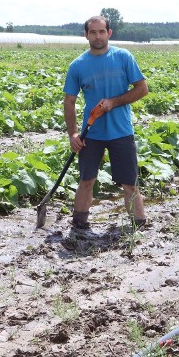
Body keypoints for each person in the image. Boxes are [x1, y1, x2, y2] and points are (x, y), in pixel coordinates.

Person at [63, 15, 149, 230]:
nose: (98, 36)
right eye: (93, 32)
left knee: (129, 183)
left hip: (121, 131)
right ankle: (79, 224)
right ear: (86, 35)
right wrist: (73, 134)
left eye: (102, 32)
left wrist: (114, 102)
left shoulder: (123, 57)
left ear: (109, 33)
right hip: (91, 133)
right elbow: (69, 102)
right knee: (86, 180)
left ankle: (138, 225)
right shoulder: (77, 66)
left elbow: (142, 89)